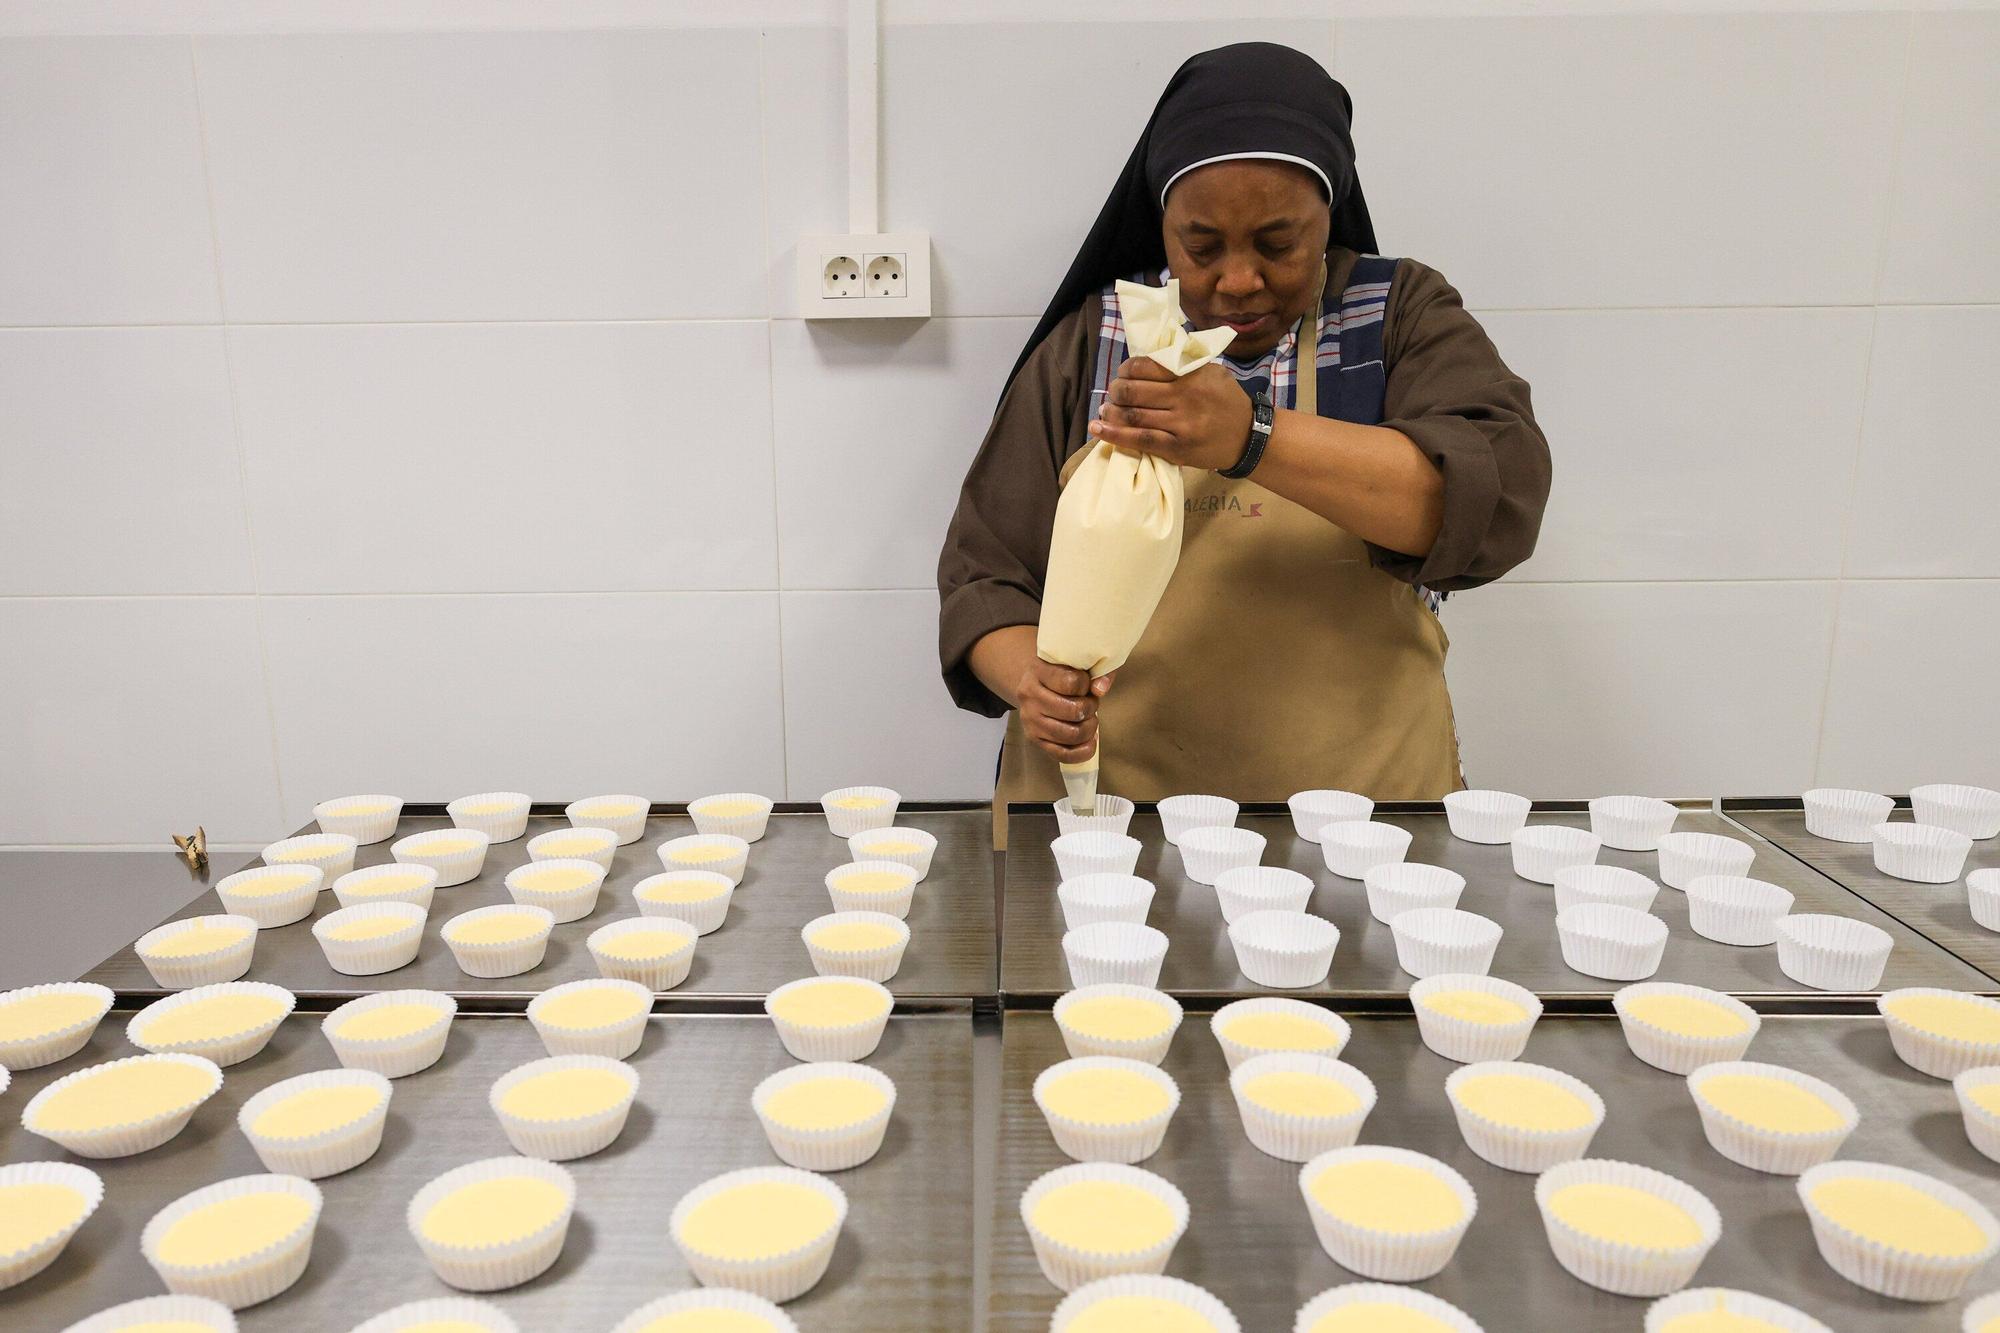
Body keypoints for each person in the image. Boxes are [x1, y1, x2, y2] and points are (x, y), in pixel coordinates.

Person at [937, 42, 1551, 839]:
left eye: (1277, 244)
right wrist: (1031, 679)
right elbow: (985, 575)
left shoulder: (1396, 319)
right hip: (1111, 831)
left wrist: (1251, 436)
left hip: (1365, 830)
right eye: (1200, 246)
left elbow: (1493, 499)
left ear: (1328, 220)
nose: (1236, 280)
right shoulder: (1096, 340)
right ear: (1161, 225)